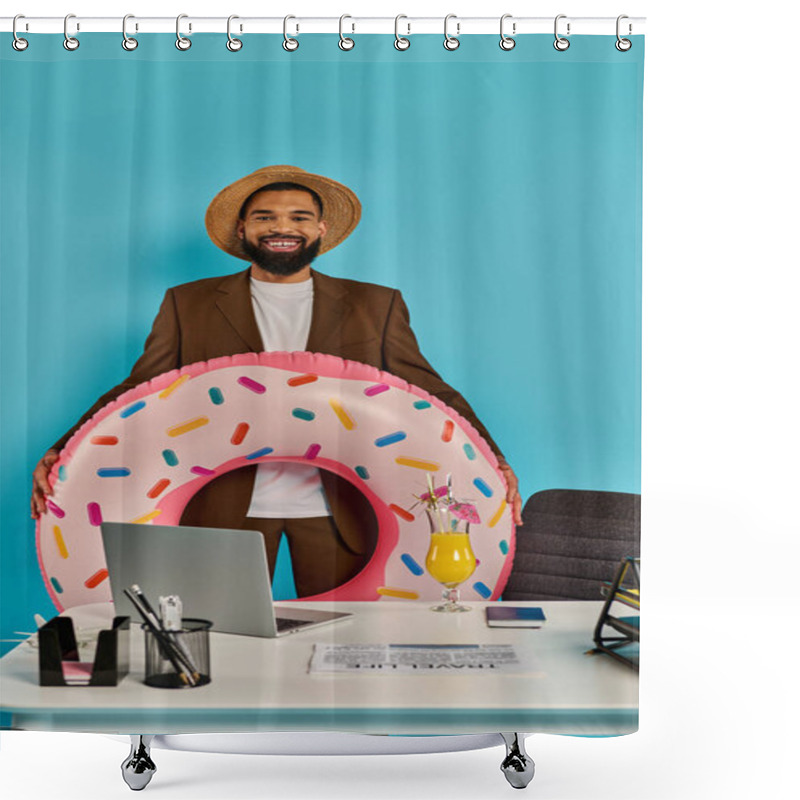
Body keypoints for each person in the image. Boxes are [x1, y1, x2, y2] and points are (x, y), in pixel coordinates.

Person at [31, 165, 521, 596]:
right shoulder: (189, 303)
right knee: (221, 644)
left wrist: (495, 461)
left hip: (338, 507)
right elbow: (138, 389)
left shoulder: (375, 305)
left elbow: (429, 390)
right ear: (243, 228)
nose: (282, 227)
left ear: (321, 229)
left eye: (298, 217)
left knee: (340, 648)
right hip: (224, 505)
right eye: (265, 217)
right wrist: (64, 449)